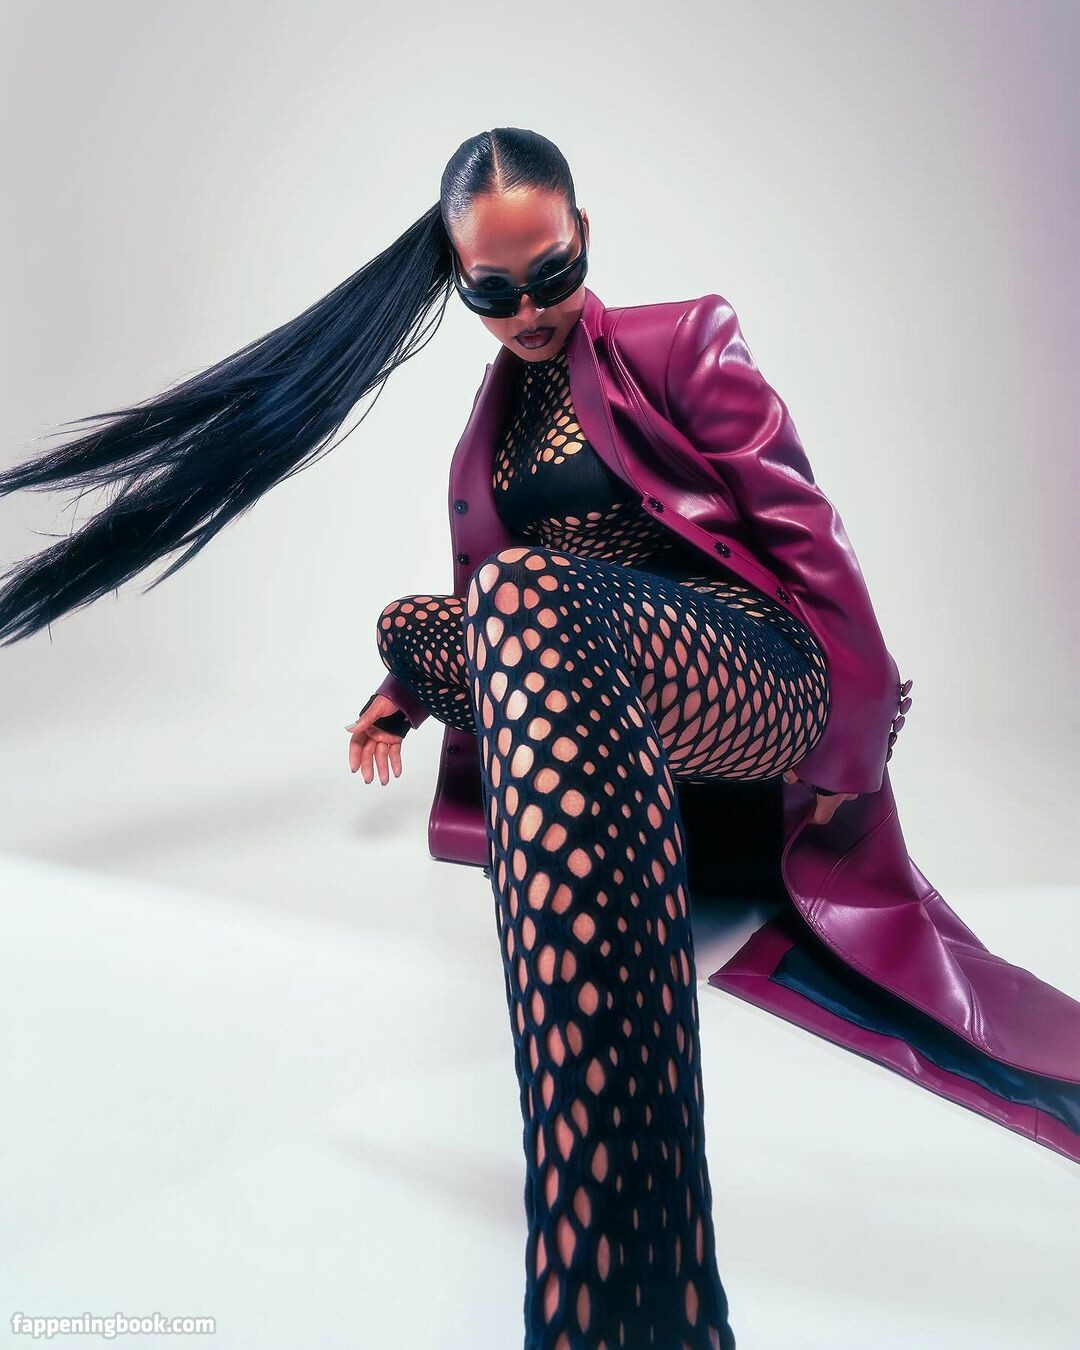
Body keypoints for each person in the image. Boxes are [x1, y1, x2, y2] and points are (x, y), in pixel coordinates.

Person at [5, 126, 1078, 1350]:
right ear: (460, 281)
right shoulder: (494, 423)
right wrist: (403, 691)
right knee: (425, 615)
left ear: (585, 238)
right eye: (495, 291)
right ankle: (623, 1283)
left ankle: (630, 1296)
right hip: (587, 672)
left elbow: (814, 545)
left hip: (756, 669)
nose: (528, 312)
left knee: (519, 590)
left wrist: (852, 754)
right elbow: (478, 600)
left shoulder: (685, 341)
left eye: (552, 274)